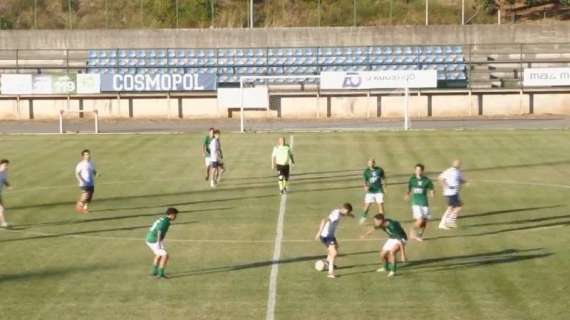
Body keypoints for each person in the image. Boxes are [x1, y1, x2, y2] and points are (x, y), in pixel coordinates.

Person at [314, 203, 354, 279]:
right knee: (334, 253)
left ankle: (327, 262)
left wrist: (350, 215)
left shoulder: (340, 212)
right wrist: (319, 232)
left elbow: (344, 215)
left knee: (336, 247)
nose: (348, 214)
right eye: (348, 212)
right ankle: (330, 272)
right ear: (345, 209)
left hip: (331, 236)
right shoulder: (336, 214)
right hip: (326, 235)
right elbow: (324, 220)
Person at [145, 207, 178, 279]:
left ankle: (154, 272)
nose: (176, 217)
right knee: (165, 255)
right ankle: (161, 274)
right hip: (154, 240)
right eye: (175, 215)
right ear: (171, 214)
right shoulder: (165, 222)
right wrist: (158, 243)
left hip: (150, 238)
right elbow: (159, 231)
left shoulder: (164, 219)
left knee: (159, 254)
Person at [405, 164, 435, 241]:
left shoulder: (427, 180)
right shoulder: (412, 179)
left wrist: (432, 193)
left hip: (424, 203)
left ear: (422, 171)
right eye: (416, 170)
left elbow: (431, 188)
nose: (418, 171)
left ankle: (420, 235)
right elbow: (409, 188)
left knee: (424, 221)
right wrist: (407, 194)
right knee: (420, 220)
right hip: (416, 202)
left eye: (419, 170)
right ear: (415, 170)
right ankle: (411, 232)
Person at [438, 159, 466, 230]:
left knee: (450, 207)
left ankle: (443, 223)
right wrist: (445, 185)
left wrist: (464, 181)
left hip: (454, 192)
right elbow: (440, 177)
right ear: (453, 164)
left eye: (458, 164)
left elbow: (461, 180)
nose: (457, 165)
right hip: (450, 192)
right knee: (459, 206)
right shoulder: (449, 171)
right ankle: (449, 221)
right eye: (456, 163)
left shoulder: (458, 172)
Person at [359, 159, 386, 225]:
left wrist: (384, 186)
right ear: (368, 164)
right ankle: (363, 217)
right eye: (369, 163)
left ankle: (382, 220)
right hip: (370, 191)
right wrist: (365, 187)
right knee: (367, 205)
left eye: (372, 163)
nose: (371, 164)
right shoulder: (366, 171)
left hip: (379, 190)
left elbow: (383, 178)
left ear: (374, 163)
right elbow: (365, 181)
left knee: (380, 205)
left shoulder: (379, 170)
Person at [75, 149, 97, 214]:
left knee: (89, 198)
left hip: (91, 182)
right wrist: (82, 180)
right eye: (86, 154)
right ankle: (79, 206)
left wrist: (96, 173)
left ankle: (85, 208)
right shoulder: (80, 164)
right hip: (84, 183)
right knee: (85, 196)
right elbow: (77, 173)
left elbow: (93, 170)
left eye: (89, 154)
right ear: (83, 156)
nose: (88, 155)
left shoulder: (91, 163)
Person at [0, 159, 12, 228]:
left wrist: (8, 186)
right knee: (1, 208)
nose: (6, 167)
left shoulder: (4, 173)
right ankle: (3, 223)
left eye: (7, 165)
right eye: (5, 165)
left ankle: (3, 223)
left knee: (1, 209)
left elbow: (4, 180)